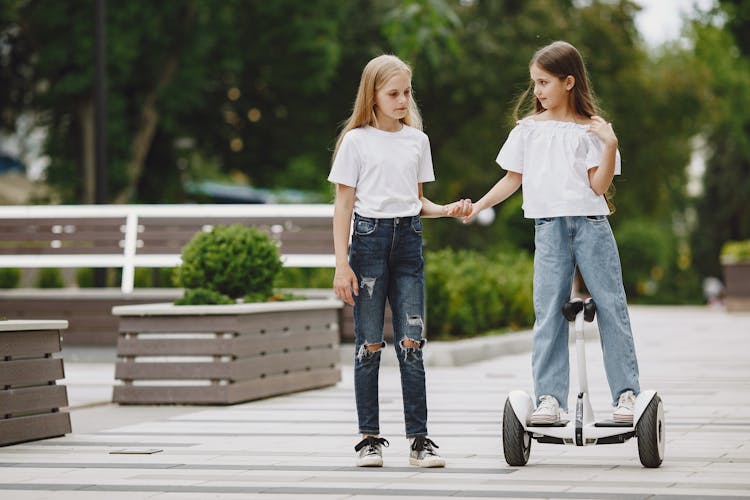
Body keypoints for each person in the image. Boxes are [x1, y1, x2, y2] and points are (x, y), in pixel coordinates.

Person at [464, 41, 640, 425]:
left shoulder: (593, 130)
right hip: (549, 230)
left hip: (591, 225)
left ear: (569, 82)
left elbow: (598, 185)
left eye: (544, 82)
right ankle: (549, 399)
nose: (538, 91)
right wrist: (478, 206)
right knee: (547, 313)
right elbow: (513, 179)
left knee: (611, 306)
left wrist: (610, 144)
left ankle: (626, 395)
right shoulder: (528, 131)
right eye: (534, 83)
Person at [329, 54, 471, 467]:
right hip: (368, 246)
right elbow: (342, 207)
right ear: (372, 96)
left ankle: (419, 441)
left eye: (407, 92)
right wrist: (342, 264)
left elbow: (415, 199)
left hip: (409, 244)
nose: (402, 100)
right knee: (368, 345)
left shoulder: (417, 141)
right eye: (393, 93)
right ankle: (369, 438)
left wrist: (445, 210)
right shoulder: (355, 141)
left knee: (412, 343)